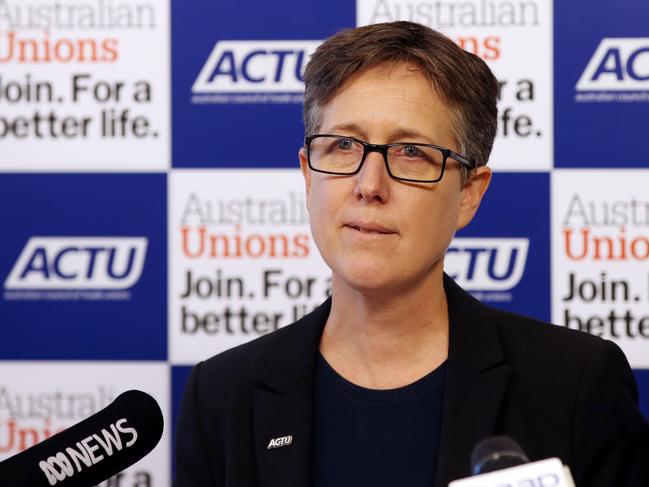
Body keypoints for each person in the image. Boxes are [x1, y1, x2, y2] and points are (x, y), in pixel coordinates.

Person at [174, 21, 649, 487]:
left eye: (411, 153)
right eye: (343, 145)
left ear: (469, 193)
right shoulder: (222, 397)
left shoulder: (573, 385)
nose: (369, 186)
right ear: (308, 174)